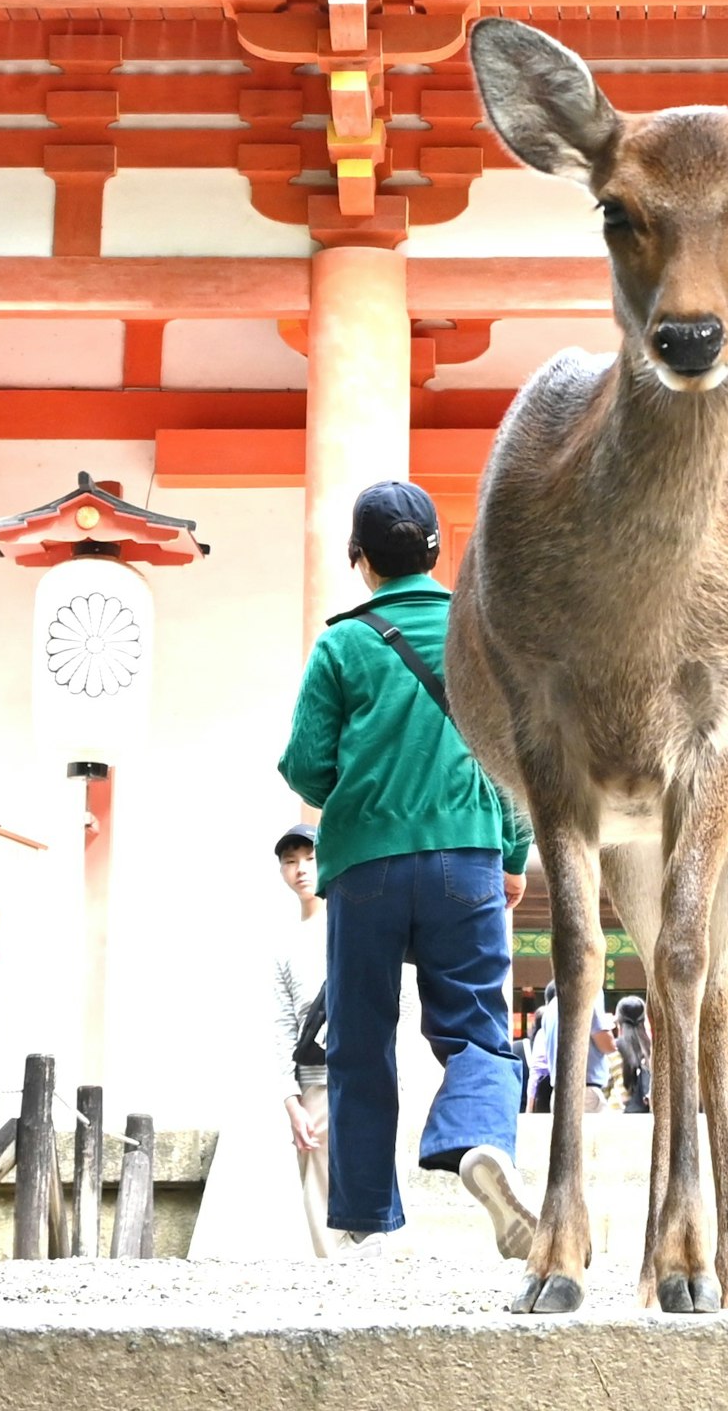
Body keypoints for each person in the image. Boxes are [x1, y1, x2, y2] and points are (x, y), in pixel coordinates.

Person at [278, 479, 539, 1252]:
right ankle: (483, 1140)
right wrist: (513, 856)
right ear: (435, 550)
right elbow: (518, 758)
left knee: (358, 1037)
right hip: (468, 856)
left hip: (364, 867)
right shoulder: (482, 636)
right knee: (479, 1031)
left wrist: (362, 790)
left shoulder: (342, 643)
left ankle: (363, 1213)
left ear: (360, 560)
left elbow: (305, 766)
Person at [190, 822, 337, 1256]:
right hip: (312, 1079)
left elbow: (399, 1002)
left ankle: (372, 1281)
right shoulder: (285, 944)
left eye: (309, 858)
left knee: (373, 1176)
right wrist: (290, 1098)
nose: (301, 870)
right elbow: (282, 1027)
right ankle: (337, 1282)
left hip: (365, 1071)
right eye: (290, 862)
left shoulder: (355, 925)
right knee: (318, 1186)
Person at [614, 992, 654, 1113]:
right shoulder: (654, 1053)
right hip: (649, 1119)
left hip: (618, 1119)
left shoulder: (613, 1051)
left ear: (618, 1022)